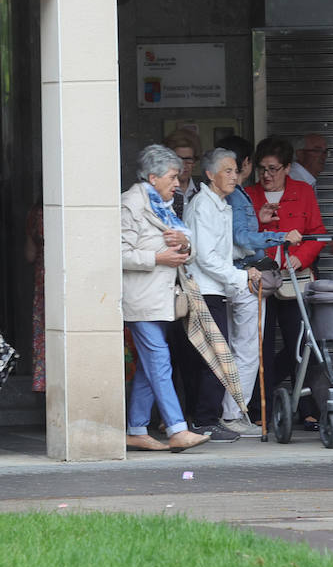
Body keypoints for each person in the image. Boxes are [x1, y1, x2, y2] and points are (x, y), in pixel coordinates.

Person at [120, 144, 212, 453]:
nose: (178, 182)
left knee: (151, 366)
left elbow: (189, 250)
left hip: (162, 301)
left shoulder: (162, 203)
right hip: (142, 300)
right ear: (153, 176)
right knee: (159, 361)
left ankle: (135, 428)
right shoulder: (131, 204)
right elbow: (118, 254)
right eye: (173, 177)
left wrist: (185, 243)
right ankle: (176, 429)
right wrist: (157, 257)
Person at [215, 135, 301, 431]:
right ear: (247, 164)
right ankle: (235, 414)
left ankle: (232, 412)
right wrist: (279, 236)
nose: (265, 174)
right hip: (245, 278)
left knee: (240, 348)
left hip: (238, 277)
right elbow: (240, 238)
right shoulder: (239, 196)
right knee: (247, 350)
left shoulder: (229, 196)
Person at [245, 137, 327, 429]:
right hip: (261, 279)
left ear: (288, 168)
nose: (267, 175)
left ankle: (307, 407)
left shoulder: (303, 191)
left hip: (295, 279)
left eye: (273, 169)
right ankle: (259, 409)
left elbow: (317, 232)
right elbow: (240, 235)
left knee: (300, 344)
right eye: (262, 169)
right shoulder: (249, 194)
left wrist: (301, 257)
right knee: (260, 346)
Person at [184, 148, 265, 441]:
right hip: (205, 289)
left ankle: (209, 418)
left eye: (235, 170)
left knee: (219, 355)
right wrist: (241, 275)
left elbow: (222, 250)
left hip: (218, 288)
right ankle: (205, 420)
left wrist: (247, 261)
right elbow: (205, 256)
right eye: (227, 171)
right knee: (216, 357)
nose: (234, 176)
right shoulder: (203, 206)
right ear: (210, 175)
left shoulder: (220, 204)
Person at [24, 202, 46, 393]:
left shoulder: (35, 214)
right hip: (67, 276)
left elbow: (30, 255)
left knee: (44, 328)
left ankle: (42, 380)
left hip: (43, 278)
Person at [163, 127, 203, 218]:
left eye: (188, 159)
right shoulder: (162, 191)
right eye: (178, 160)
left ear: (195, 161)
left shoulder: (202, 190)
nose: (183, 165)